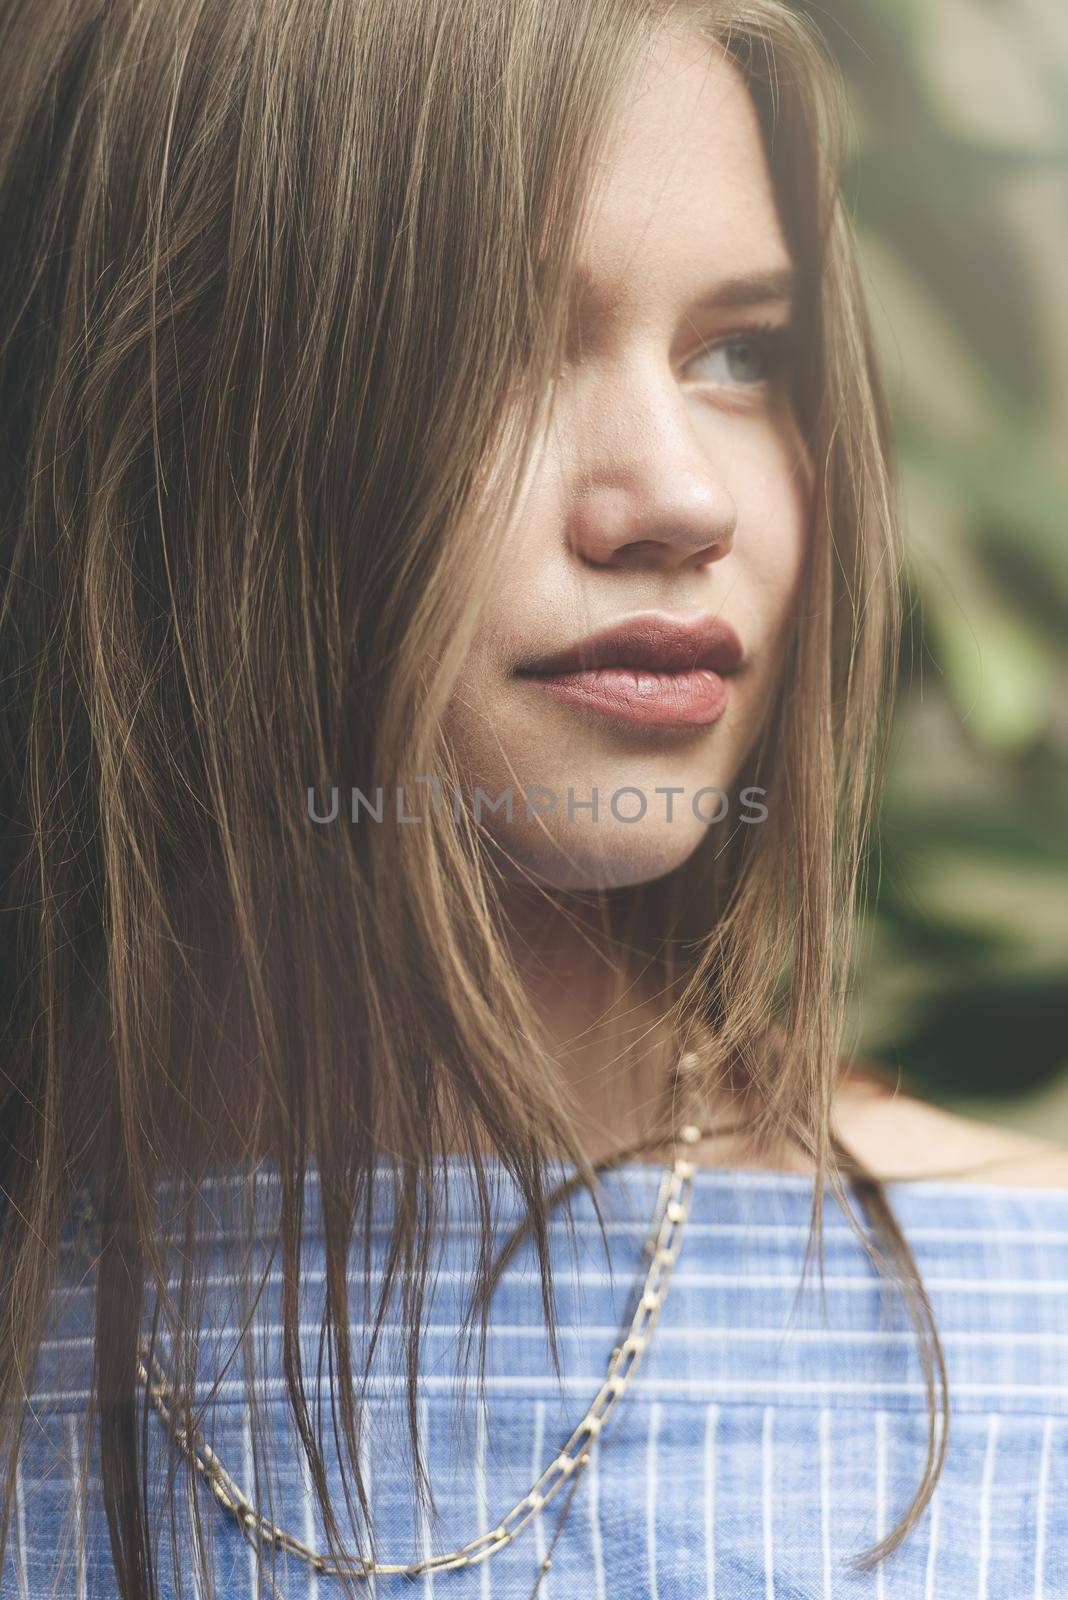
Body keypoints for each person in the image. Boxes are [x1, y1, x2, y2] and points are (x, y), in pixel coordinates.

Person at [1, 1, 1066, 1596]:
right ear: (174, 422)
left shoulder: (1028, 1314)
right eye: (491, 345)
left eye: (739, 355)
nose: (684, 500)